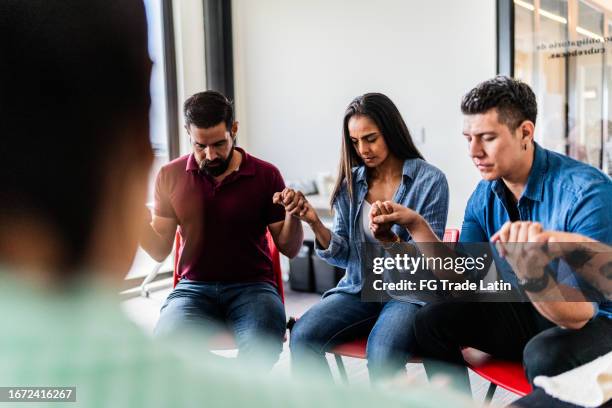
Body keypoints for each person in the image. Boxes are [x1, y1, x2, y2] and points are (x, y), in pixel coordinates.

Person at [369, 76, 612, 404]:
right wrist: (417, 227)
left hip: (595, 322)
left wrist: (533, 271)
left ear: (525, 132)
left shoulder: (585, 193)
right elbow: (462, 280)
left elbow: (579, 314)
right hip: (529, 310)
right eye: (468, 138)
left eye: (487, 138)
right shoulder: (484, 195)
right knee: (431, 320)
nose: (473, 151)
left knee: (543, 354)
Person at [286, 93, 449, 381]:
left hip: (409, 294)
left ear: (391, 131)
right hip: (359, 288)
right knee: (301, 336)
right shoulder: (352, 183)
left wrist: (390, 240)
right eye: (355, 141)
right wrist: (315, 224)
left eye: (371, 138)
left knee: (382, 353)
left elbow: (425, 267)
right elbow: (343, 255)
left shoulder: (430, 181)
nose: (363, 149)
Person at [139, 90, 304, 368]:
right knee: (167, 343)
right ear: (187, 134)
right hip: (194, 289)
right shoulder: (170, 175)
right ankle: (227, 385)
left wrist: (294, 214)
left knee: (263, 343)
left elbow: (290, 247)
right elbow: (159, 251)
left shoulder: (266, 175)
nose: (210, 155)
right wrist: (137, 222)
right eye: (200, 146)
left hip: (253, 287)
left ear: (234, 130)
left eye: (219, 144)